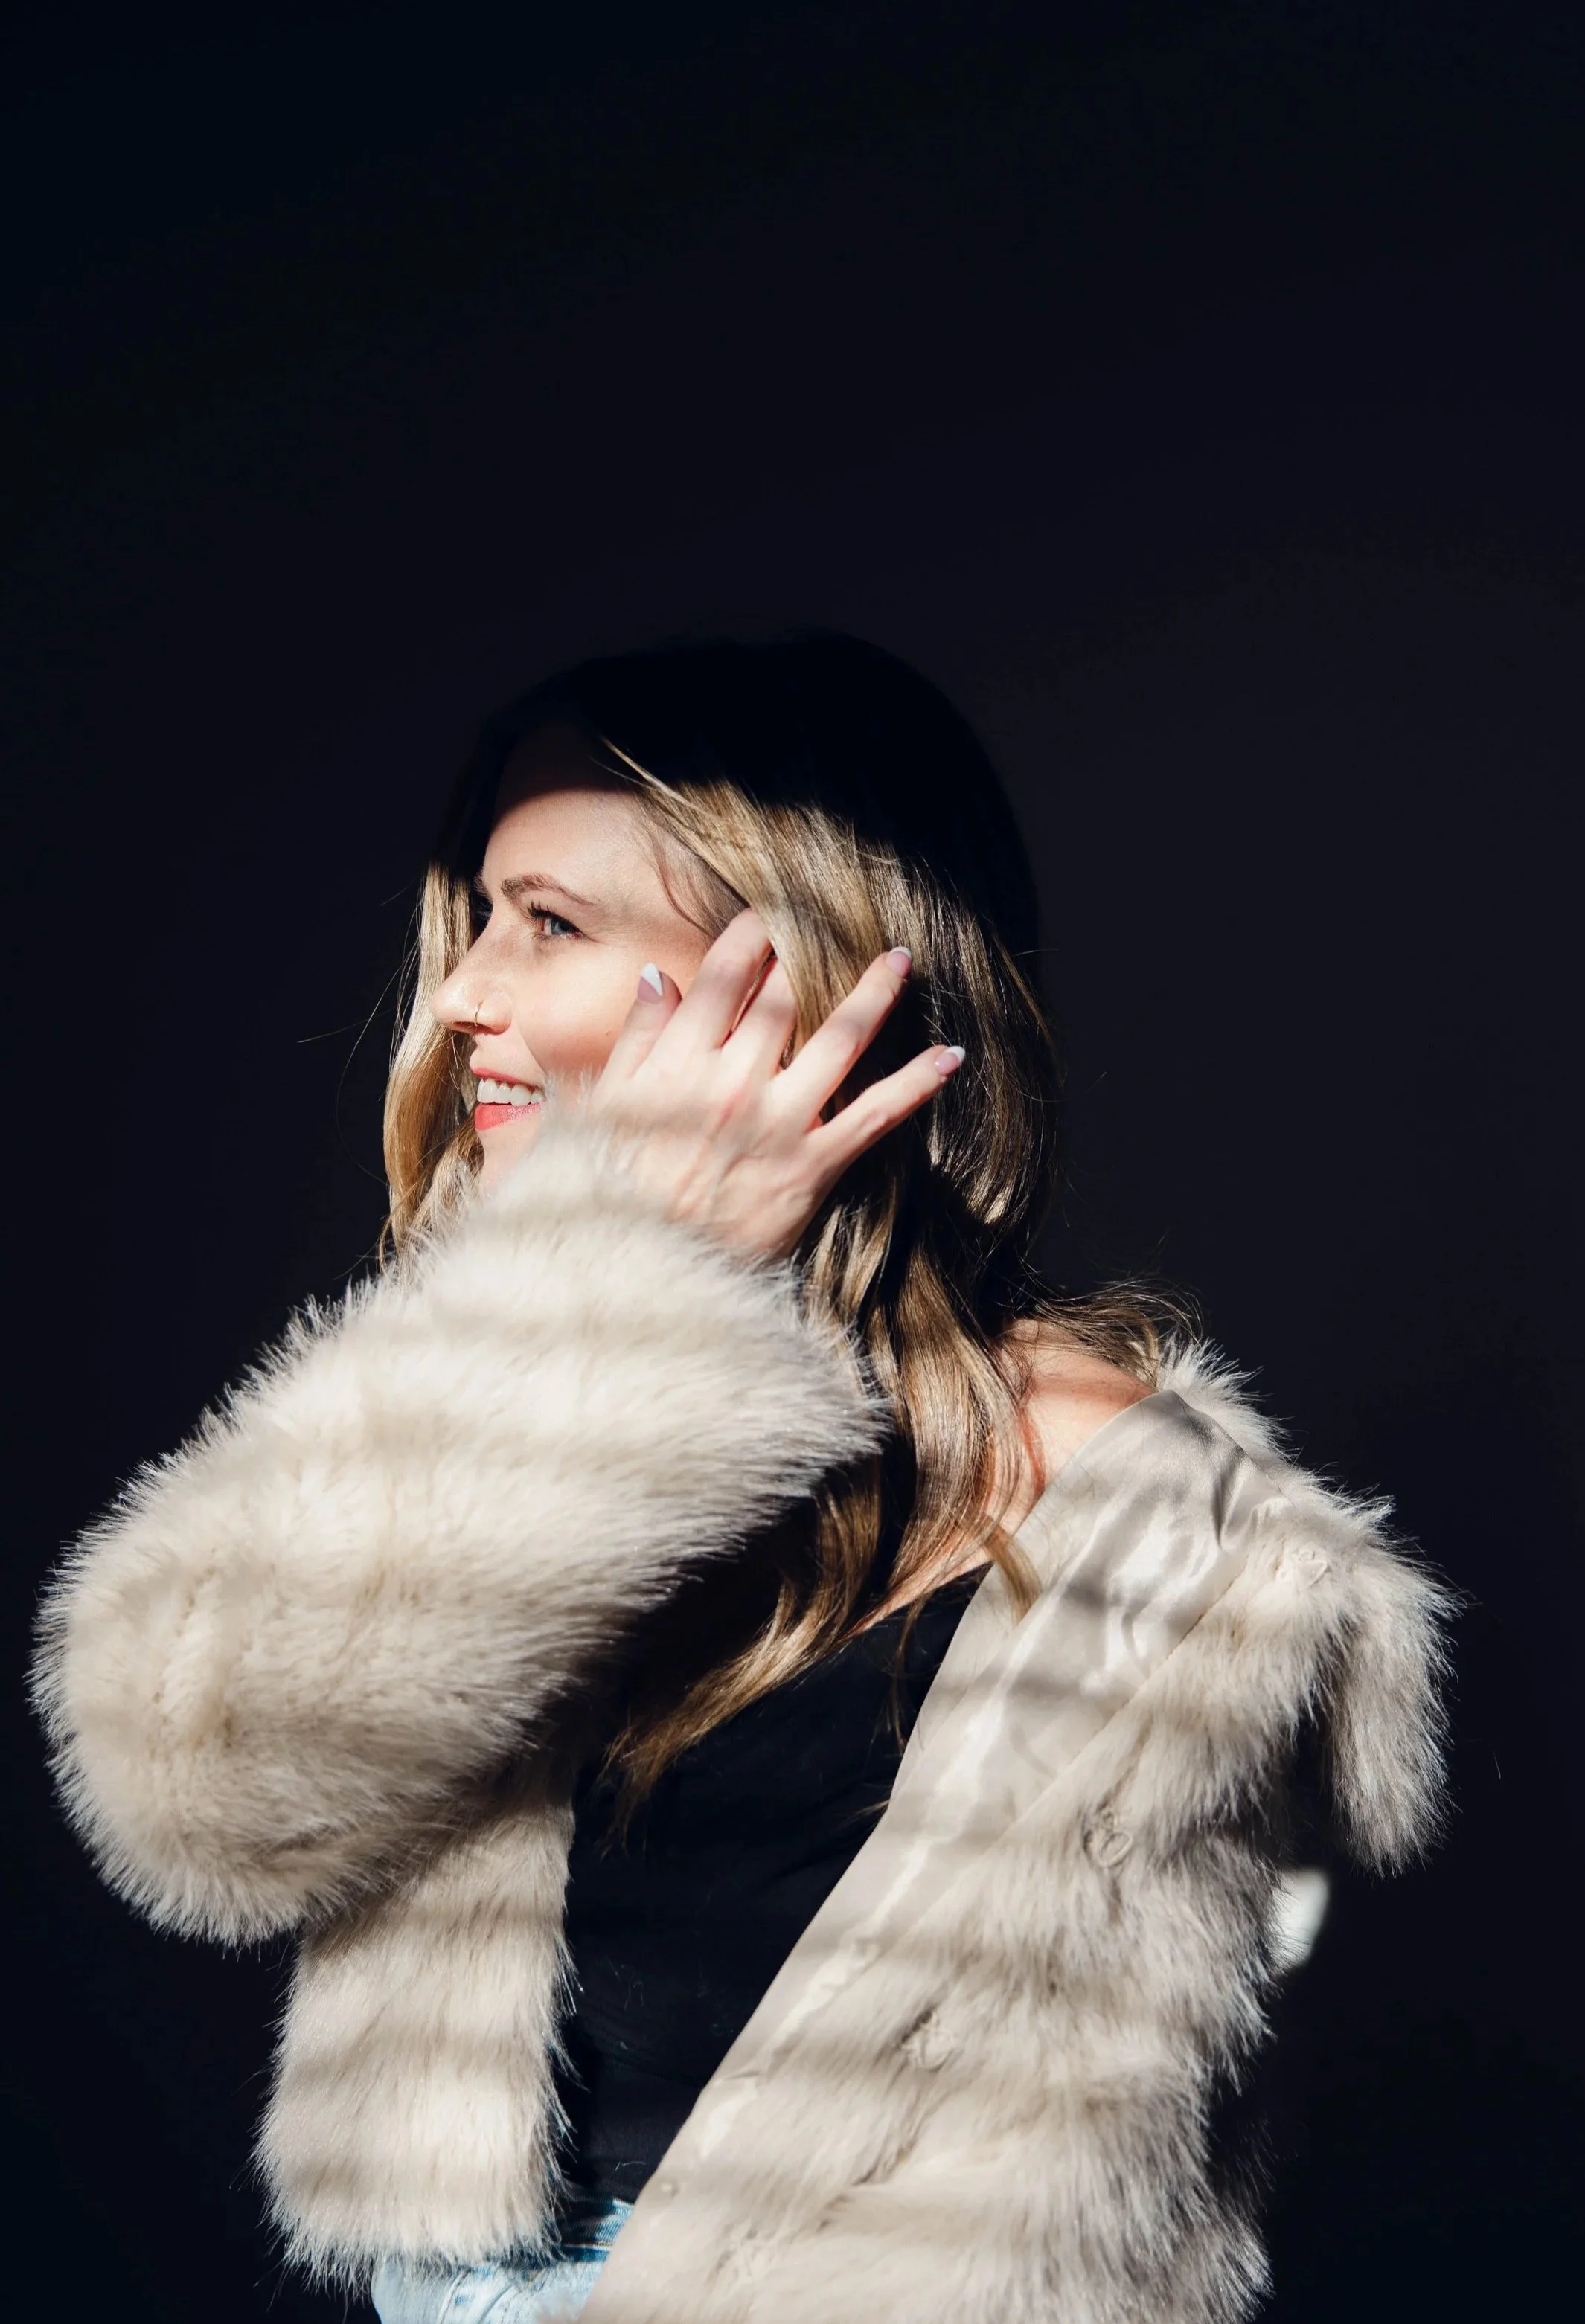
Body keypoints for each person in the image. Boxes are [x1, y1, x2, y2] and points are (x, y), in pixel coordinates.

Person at [33, 633, 1449, 2324]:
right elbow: (184, 1777)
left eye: (548, 923)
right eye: (479, 914)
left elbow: (1046, 2241)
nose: (461, 995)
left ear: (806, 979)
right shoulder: (495, 1363)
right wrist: (624, 1287)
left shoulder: (1140, 1514)